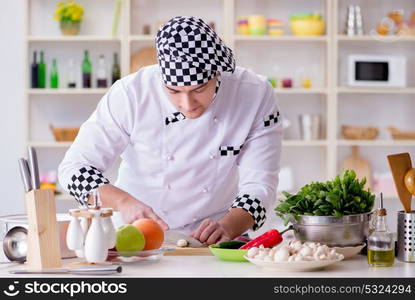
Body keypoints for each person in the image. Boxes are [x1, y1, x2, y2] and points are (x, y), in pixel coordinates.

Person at [58, 16, 282, 245]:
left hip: (216, 237)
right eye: (173, 91)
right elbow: (74, 169)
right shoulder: (131, 94)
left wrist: (229, 225)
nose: (187, 103)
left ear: (218, 73)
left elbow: (260, 183)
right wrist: (123, 202)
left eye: (199, 88)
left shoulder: (254, 94)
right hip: (134, 235)